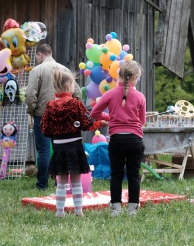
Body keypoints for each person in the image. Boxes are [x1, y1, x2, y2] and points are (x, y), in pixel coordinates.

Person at [41, 68, 108, 217]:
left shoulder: (50, 106)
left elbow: (44, 129)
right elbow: (87, 124)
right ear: (68, 86)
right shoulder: (76, 104)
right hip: (74, 146)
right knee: (76, 181)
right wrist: (101, 123)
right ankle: (79, 212)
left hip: (58, 147)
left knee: (62, 182)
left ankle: (59, 212)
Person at [91, 60, 146, 216]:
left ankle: (116, 207)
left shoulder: (109, 94)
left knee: (116, 174)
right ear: (135, 77)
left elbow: (94, 113)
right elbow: (141, 121)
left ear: (119, 76)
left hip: (116, 140)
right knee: (134, 174)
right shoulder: (140, 96)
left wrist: (111, 118)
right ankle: (133, 208)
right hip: (135, 139)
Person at [26, 44, 82, 190]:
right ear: (50, 53)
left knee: (43, 151)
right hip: (63, 116)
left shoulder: (36, 70)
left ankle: (42, 184)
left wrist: (31, 111)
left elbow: (31, 94)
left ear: (39, 55)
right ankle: (60, 182)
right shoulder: (64, 69)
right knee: (60, 149)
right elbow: (77, 92)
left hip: (42, 114)